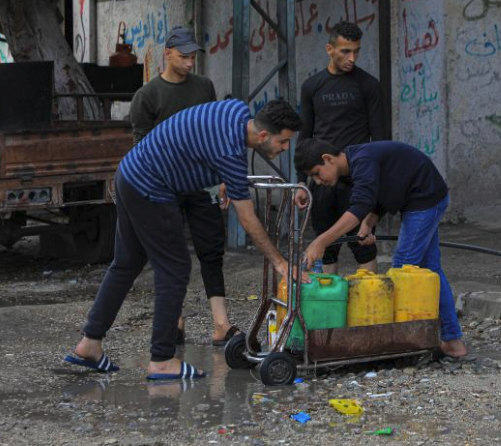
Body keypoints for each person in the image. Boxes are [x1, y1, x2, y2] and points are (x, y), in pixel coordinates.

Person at [65, 99, 303, 379]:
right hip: (151, 187)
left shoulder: (236, 110)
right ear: (263, 135)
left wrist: (223, 177)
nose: (285, 148)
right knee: (174, 270)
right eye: (283, 141)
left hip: (129, 174)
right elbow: (247, 219)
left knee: (126, 262)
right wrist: (279, 262)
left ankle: (90, 343)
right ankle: (162, 359)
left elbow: (201, 144)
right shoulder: (230, 153)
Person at [294, 138, 467, 358]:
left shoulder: (362, 161)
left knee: (403, 269)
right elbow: (382, 187)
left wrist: (321, 241)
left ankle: (401, 342)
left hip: (424, 197)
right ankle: (452, 341)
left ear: (327, 159)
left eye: (317, 174)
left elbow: (359, 206)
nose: (318, 182)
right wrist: (368, 222)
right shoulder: (351, 166)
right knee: (430, 270)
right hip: (418, 195)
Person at [130, 26, 237, 347]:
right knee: (170, 254)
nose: (190, 63)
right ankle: (174, 321)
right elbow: (141, 150)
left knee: (212, 251)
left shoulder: (204, 87)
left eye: (193, 57)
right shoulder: (147, 96)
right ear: (167, 54)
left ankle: (221, 324)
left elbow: (215, 133)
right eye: (183, 57)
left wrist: (223, 177)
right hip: (165, 187)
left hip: (202, 183)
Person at [294, 20, 388, 275]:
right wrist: (301, 182)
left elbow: (381, 139)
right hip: (323, 179)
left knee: (363, 244)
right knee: (326, 247)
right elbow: (305, 136)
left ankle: (371, 300)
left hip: (357, 178)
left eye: (356, 51)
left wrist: (377, 186)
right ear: (329, 49)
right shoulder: (312, 86)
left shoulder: (368, 85)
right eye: (346, 51)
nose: (352, 58)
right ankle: (329, 298)